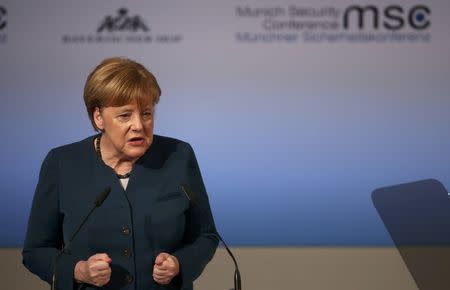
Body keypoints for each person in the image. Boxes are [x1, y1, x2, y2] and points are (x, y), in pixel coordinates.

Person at [22, 57, 219, 290]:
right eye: (125, 115)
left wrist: (179, 264)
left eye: (146, 113)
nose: (138, 125)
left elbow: (206, 236)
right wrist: (78, 271)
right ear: (98, 118)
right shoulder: (62, 164)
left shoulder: (179, 156)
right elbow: (36, 251)